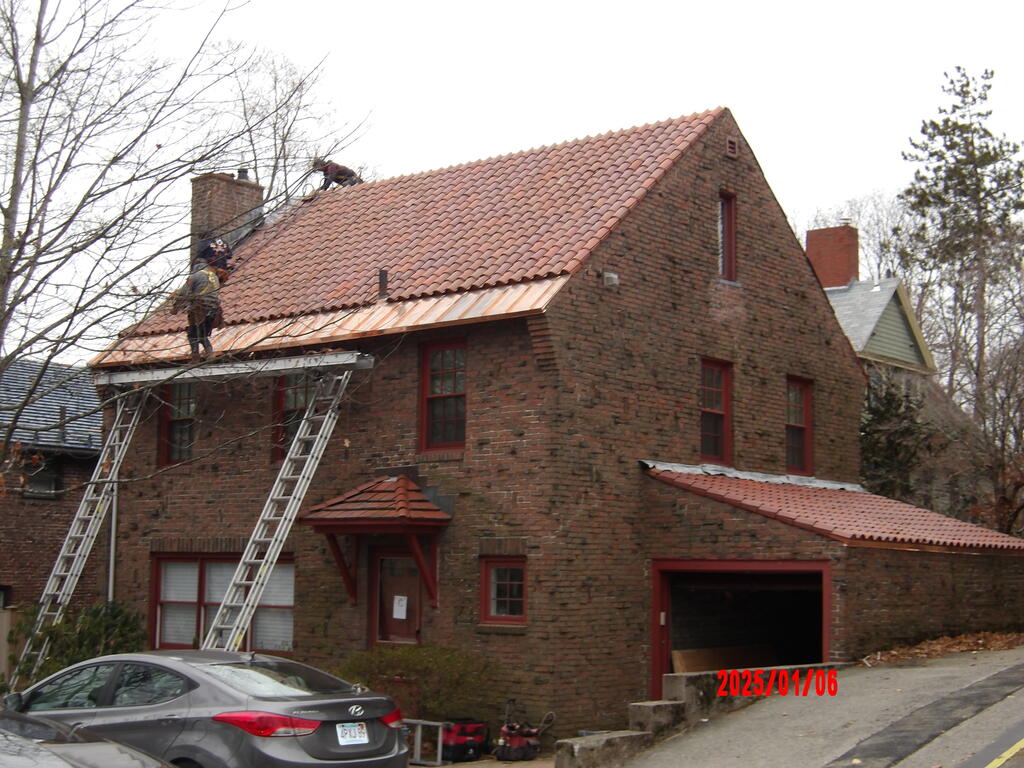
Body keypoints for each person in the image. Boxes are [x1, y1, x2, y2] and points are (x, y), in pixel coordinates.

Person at [172, 258, 221, 361]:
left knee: (192, 335)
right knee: (202, 333)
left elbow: (184, 292)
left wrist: (175, 305)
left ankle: (196, 357)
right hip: (214, 310)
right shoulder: (214, 276)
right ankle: (209, 353)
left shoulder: (195, 276)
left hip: (200, 309)